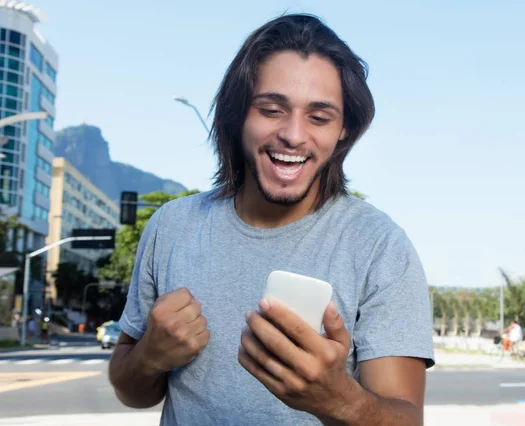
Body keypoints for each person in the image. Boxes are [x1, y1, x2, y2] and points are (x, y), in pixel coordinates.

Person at [108, 13, 434, 426]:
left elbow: (407, 418)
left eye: (319, 117)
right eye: (271, 109)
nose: (294, 135)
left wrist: (340, 401)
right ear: (237, 115)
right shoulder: (171, 227)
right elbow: (129, 390)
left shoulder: (380, 246)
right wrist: (148, 357)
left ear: (343, 132)